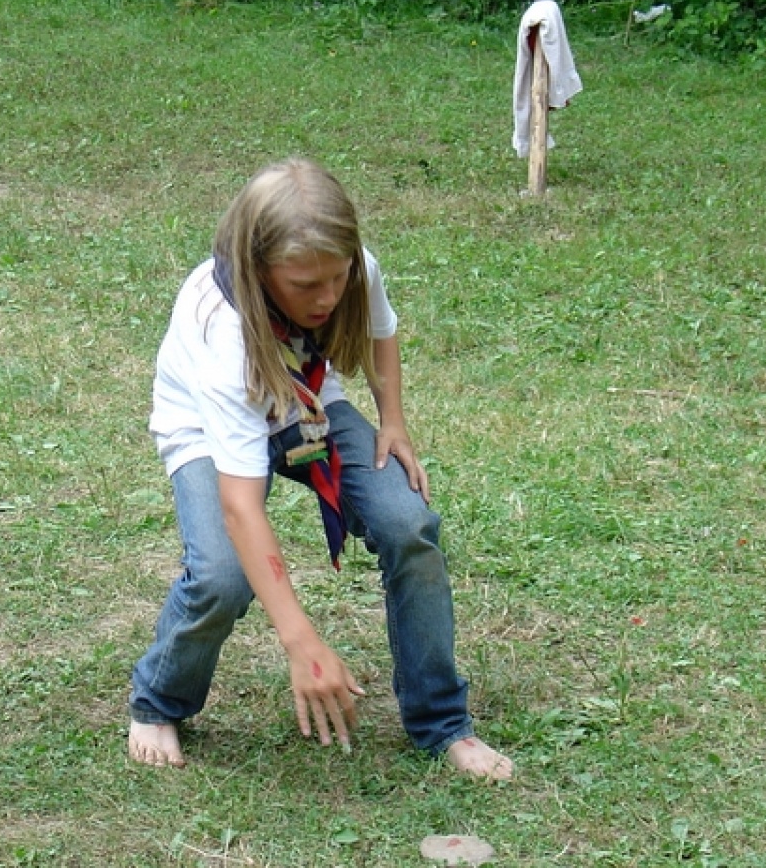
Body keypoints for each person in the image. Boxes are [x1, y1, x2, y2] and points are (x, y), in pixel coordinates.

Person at [127, 158, 513, 780]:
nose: (328, 297)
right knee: (224, 574)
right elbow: (241, 507)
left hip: (306, 400)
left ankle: (443, 722)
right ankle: (157, 703)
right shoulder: (223, 330)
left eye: (337, 278)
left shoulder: (349, 266)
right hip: (204, 419)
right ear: (258, 269)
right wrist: (301, 640)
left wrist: (393, 420)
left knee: (407, 524)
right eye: (305, 284)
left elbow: (380, 329)